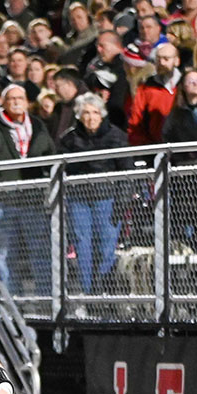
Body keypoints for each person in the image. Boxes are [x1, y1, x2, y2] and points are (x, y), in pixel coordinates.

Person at [0, 84, 56, 294]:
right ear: (3, 103)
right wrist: (0, 185)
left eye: (20, 98)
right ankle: (8, 300)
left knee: (40, 250)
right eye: (11, 99)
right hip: (2, 200)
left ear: (28, 101)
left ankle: (45, 297)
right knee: (3, 253)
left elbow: (49, 154)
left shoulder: (38, 125)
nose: (16, 102)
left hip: (32, 198)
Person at [58, 93, 130, 294]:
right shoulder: (69, 139)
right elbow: (61, 169)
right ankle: (87, 292)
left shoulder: (116, 137)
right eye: (86, 113)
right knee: (82, 246)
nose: (90, 117)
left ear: (102, 114)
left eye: (95, 112)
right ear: (79, 116)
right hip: (78, 200)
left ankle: (104, 289)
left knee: (106, 246)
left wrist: (122, 203)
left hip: (107, 198)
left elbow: (127, 171)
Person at [128, 43, 181, 146]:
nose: (161, 63)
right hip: (155, 146)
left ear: (176, 61)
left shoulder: (184, 85)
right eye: (158, 59)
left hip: (183, 147)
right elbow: (136, 121)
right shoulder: (146, 88)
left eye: (166, 59)